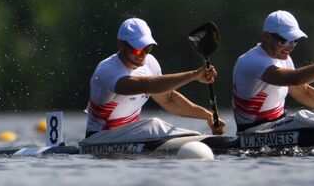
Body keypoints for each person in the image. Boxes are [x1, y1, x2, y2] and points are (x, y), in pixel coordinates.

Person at [84, 18, 225, 140]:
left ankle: (202, 141)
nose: (143, 54)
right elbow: (147, 86)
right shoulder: (107, 71)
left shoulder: (150, 63)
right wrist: (194, 75)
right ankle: (200, 141)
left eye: (147, 48)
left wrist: (208, 116)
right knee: (153, 124)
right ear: (120, 45)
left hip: (131, 137)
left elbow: (168, 99)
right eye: (137, 49)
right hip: (98, 139)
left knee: (153, 126)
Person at [232, 10, 314, 130]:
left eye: (294, 41)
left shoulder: (285, 59)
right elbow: (295, 79)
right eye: (285, 41)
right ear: (267, 37)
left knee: (303, 117)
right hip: (253, 131)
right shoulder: (252, 61)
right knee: (303, 116)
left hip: (276, 126)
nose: (290, 47)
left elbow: (304, 93)